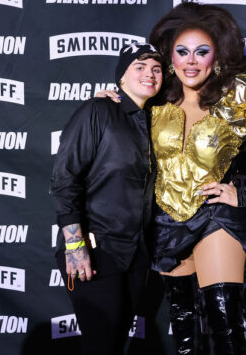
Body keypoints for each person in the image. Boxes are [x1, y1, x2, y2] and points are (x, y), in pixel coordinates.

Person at [100, 2, 246, 355]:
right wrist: (108, 105)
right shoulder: (152, 102)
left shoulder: (236, 103)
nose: (191, 61)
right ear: (170, 57)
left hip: (216, 218)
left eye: (201, 51)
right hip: (165, 223)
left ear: (217, 56)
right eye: (182, 51)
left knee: (225, 322)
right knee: (183, 330)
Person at [50, 43, 162, 355]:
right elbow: (64, 177)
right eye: (140, 66)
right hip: (97, 249)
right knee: (100, 345)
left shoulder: (155, 121)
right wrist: (75, 245)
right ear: (121, 76)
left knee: (114, 346)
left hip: (137, 253)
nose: (150, 74)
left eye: (156, 69)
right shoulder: (97, 110)